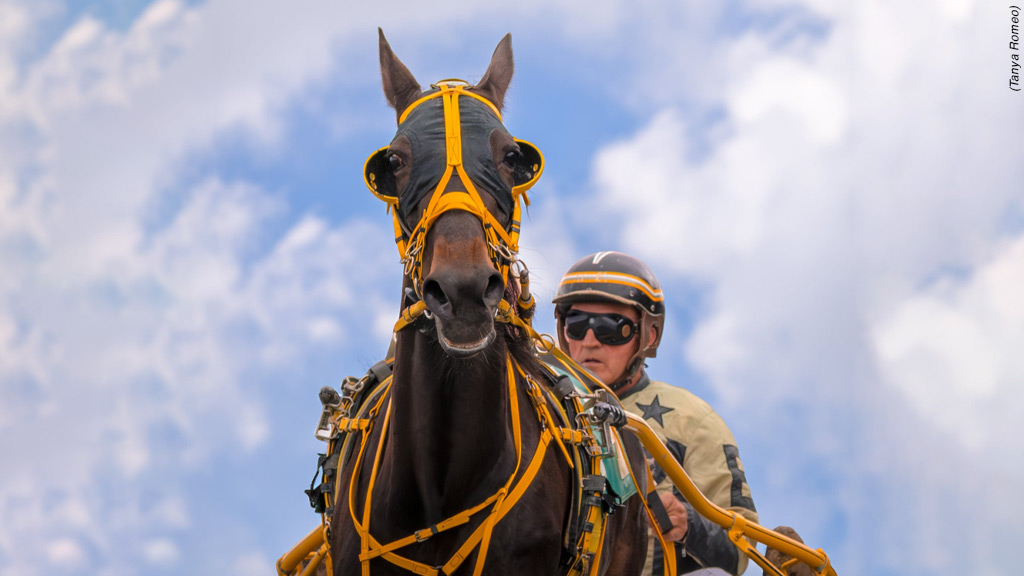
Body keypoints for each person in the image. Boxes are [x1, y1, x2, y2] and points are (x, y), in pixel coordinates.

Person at [552, 251, 758, 576]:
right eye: (576, 325)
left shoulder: (692, 420)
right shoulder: (541, 409)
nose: (589, 341)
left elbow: (740, 551)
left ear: (647, 335)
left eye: (609, 328)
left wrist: (688, 523)